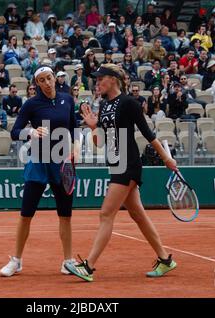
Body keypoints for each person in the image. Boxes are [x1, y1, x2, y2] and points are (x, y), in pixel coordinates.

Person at [64, 63, 178, 282]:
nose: (97, 83)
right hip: (116, 164)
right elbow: (99, 143)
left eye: (100, 79)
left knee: (106, 213)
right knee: (138, 214)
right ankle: (165, 260)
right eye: (96, 80)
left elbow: (148, 133)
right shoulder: (105, 105)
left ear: (113, 80)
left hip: (129, 164)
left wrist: (166, 158)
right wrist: (92, 126)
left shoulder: (129, 103)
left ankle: (88, 267)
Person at [0, 66, 78, 277]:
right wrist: (31, 131)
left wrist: (76, 148)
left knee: (65, 216)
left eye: (49, 78)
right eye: (42, 80)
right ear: (37, 84)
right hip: (38, 163)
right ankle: (16, 260)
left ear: (55, 78)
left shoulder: (67, 100)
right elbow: (14, 132)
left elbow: (74, 127)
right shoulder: (31, 105)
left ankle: (68, 261)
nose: (47, 82)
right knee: (26, 214)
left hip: (61, 164)